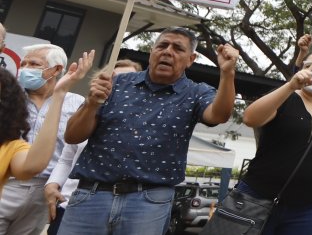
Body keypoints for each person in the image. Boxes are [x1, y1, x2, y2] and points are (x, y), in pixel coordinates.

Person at [59, 28, 239, 235]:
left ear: (191, 59)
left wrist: (227, 73)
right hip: (92, 196)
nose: (167, 52)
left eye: (177, 48)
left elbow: (219, 115)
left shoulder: (196, 93)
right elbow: (72, 136)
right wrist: (91, 104)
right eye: (162, 46)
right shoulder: (115, 84)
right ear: (151, 51)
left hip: (148, 201)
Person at [233, 48, 312, 234]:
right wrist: (291, 86)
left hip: (306, 208)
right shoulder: (285, 98)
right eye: (309, 65)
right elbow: (250, 118)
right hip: (257, 197)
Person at [0, 44, 87, 235]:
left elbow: (74, 151)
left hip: (45, 192)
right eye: (23, 64)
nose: (25, 69)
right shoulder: (10, 98)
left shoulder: (76, 103)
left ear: (56, 70)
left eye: (34, 64)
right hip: (7, 184)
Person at [45, 60, 140, 235]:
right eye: (114, 78)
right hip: (68, 205)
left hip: (110, 213)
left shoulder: (140, 123)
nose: (118, 84)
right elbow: (67, 158)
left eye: (127, 79)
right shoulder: (85, 113)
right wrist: (52, 185)